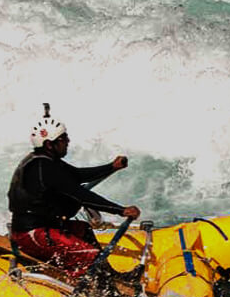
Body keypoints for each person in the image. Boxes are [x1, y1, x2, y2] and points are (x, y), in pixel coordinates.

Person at [7, 104, 141, 278]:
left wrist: (111, 167)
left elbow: (77, 175)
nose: (68, 141)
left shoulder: (47, 161)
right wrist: (120, 210)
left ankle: (110, 277)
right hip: (32, 234)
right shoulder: (43, 167)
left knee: (83, 229)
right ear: (49, 144)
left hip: (47, 227)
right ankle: (94, 292)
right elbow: (81, 195)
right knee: (91, 257)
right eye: (63, 139)